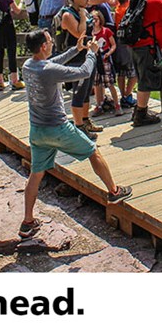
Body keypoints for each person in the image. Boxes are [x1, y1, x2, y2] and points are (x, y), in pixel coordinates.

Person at [19, 29, 131, 239]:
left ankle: (27, 221)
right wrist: (92, 52)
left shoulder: (28, 66)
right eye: (50, 41)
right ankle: (114, 192)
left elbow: (53, 61)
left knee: (36, 174)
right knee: (93, 151)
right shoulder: (48, 70)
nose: (52, 44)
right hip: (58, 127)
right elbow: (85, 72)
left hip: (37, 129)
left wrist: (76, 49)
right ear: (43, 46)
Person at [58, 0, 101, 137]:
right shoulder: (68, 15)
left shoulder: (83, 12)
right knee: (79, 90)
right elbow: (78, 34)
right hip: (76, 58)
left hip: (88, 55)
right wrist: (83, 17)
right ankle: (78, 125)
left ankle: (85, 119)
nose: (88, 0)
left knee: (87, 91)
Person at [90, 8, 122, 116]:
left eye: (96, 19)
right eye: (92, 19)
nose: (94, 21)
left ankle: (117, 105)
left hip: (105, 59)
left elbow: (113, 44)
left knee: (110, 83)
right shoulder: (90, 33)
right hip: (95, 59)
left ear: (100, 19)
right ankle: (99, 105)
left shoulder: (106, 31)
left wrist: (110, 53)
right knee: (97, 84)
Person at [113, 0, 139, 108]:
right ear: (128, 0)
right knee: (134, 72)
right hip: (128, 43)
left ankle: (123, 95)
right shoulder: (127, 11)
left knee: (121, 72)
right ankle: (127, 96)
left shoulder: (117, 10)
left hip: (119, 42)